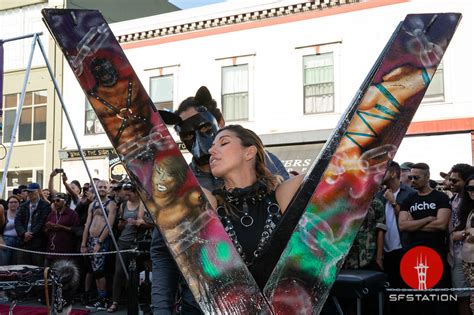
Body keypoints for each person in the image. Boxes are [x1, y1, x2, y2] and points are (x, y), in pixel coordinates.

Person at [150, 86, 289, 314]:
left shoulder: (263, 165)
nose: (199, 143)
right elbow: (164, 249)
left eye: (204, 129)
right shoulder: (184, 183)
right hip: (200, 302)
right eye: (186, 135)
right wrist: (161, 309)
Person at [202, 125, 303, 289]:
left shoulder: (282, 195)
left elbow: (334, 164)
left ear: (249, 152)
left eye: (223, 143)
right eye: (211, 146)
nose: (211, 151)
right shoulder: (210, 202)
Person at [398, 163, 451, 315]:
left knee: (438, 297)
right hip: (413, 253)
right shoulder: (409, 199)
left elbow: (441, 225)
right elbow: (402, 226)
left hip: (436, 252)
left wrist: (413, 224)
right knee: (417, 297)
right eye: (411, 177)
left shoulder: (440, 197)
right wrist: (427, 219)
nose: (412, 180)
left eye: (416, 177)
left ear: (427, 177)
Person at [107, 182, 152, 313]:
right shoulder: (123, 205)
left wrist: (138, 222)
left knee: (135, 273)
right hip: (122, 241)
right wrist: (121, 224)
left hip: (136, 242)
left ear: (136, 192)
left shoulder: (143, 204)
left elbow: (147, 223)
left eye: (129, 194)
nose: (128, 197)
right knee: (119, 272)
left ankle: (134, 300)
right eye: (125, 194)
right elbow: (119, 226)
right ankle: (115, 301)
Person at [376, 161, 416, 289]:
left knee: (407, 290)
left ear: (393, 173)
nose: (378, 175)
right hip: (385, 251)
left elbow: (411, 221)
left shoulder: (410, 194)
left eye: (382, 171)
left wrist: (393, 202)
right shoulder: (378, 195)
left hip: (405, 248)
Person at [81, 180, 117, 311]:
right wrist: (83, 244)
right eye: (99, 187)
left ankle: (103, 299)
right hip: (90, 239)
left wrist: (100, 242)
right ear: (95, 188)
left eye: (104, 187)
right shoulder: (93, 204)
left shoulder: (111, 204)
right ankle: (99, 297)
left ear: (108, 189)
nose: (102, 189)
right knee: (93, 270)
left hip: (101, 240)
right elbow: (87, 225)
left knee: (99, 271)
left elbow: (110, 225)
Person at [446, 164, 473, 315]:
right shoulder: (453, 199)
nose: (450, 183)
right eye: (450, 180)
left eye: (455, 181)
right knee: (462, 297)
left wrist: (462, 234)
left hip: (471, 255)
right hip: (456, 255)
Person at [14, 182, 51, 266]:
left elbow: (42, 222)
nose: (29, 194)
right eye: (28, 192)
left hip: (38, 243)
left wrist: (31, 234)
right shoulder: (23, 206)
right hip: (23, 242)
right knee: (22, 269)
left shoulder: (45, 206)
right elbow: (17, 221)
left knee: (37, 269)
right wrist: (24, 233)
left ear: (38, 191)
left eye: (32, 192)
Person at [44, 192, 80, 267]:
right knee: (47, 274)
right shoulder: (52, 214)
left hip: (66, 252)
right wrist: (48, 227)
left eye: (58, 200)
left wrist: (60, 227)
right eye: (54, 201)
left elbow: (76, 230)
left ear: (65, 201)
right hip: (51, 252)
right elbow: (45, 231)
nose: (55, 203)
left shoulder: (72, 214)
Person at [1, 196, 22, 265]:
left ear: (19, 203)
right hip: (6, 240)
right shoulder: (3, 213)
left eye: (15, 202)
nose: (13, 204)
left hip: (18, 241)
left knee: (15, 264)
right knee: (4, 263)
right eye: (11, 202)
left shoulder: (22, 214)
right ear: (8, 204)